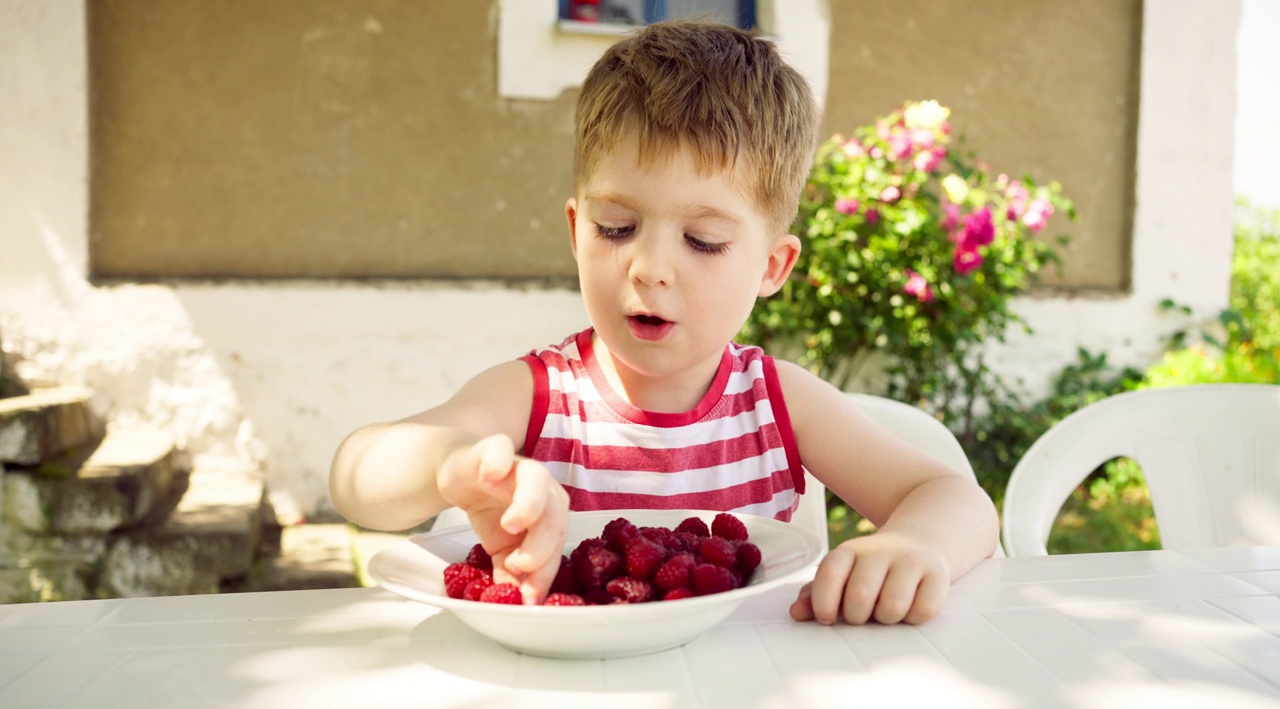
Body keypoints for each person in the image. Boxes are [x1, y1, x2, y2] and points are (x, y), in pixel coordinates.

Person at [329, 19, 999, 626]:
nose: (649, 267)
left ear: (772, 266)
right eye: (616, 227)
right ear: (574, 229)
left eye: (703, 240)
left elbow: (953, 498)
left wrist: (913, 544)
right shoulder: (540, 397)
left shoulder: (776, 403)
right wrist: (454, 466)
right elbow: (359, 476)